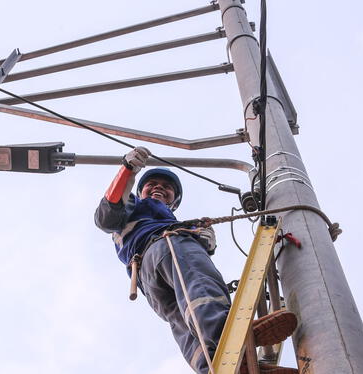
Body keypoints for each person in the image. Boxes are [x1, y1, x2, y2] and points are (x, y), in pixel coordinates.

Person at [94, 147, 299, 374]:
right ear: (140, 191)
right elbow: (106, 216)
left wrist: (204, 240)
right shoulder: (134, 206)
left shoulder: (168, 221)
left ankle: (220, 367)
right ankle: (228, 335)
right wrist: (127, 170)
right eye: (152, 184)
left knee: (183, 323)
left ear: (173, 202)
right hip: (167, 247)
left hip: (148, 280)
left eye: (167, 186)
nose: (159, 187)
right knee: (198, 282)